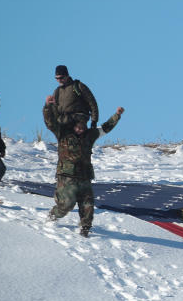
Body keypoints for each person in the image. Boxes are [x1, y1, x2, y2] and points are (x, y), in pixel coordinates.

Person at [43, 99, 123, 237]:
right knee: (67, 204)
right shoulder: (63, 134)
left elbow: (105, 128)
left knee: (88, 204)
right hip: (67, 176)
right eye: (78, 127)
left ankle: (85, 227)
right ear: (73, 126)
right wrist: (48, 106)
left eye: (82, 127)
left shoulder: (90, 136)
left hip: (84, 176)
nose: (80, 130)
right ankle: (53, 214)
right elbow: (50, 122)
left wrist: (117, 115)